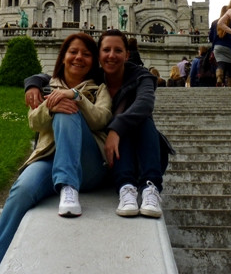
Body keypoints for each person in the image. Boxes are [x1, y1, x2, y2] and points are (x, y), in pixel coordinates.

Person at [0, 33, 111, 274]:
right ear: (64, 56)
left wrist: (76, 97)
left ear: (93, 61)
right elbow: (34, 123)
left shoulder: (99, 88)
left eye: (86, 54)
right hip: (49, 159)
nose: (78, 57)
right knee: (21, 190)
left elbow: (102, 118)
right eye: (73, 52)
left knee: (67, 109)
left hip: (88, 165)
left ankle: (69, 187)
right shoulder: (47, 86)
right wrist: (51, 105)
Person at [25, 29, 172, 220]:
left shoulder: (142, 76)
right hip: (107, 158)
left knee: (141, 119)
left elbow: (144, 104)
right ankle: (125, 188)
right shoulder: (95, 78)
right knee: (68, 108)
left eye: (118, 51)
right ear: (99, 56)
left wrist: (115, 130)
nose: (112, 55)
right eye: (106, 50)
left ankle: (150, 187)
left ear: (127, 54)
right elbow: (58, 75)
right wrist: (33, 82)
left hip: (137, 150)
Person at [209, 5, 231, 88]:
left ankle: (219, 77)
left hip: (218, 47)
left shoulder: (214, 23)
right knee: (230, 67)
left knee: (220, 64)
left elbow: (210, 38)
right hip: (229, 47)